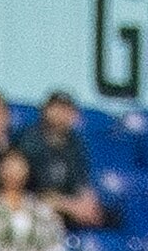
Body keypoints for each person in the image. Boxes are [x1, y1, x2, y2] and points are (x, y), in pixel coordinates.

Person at [25, 89, 104, 231]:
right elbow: (37, 192)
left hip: (69, 209)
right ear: (46, 110)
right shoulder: (30, 140)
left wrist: (88, 205)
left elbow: (82, 182)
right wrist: (72, 207)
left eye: (66, 109)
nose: (61, 114)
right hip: (34, 208)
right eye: (57, 108)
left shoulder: (74, 142)